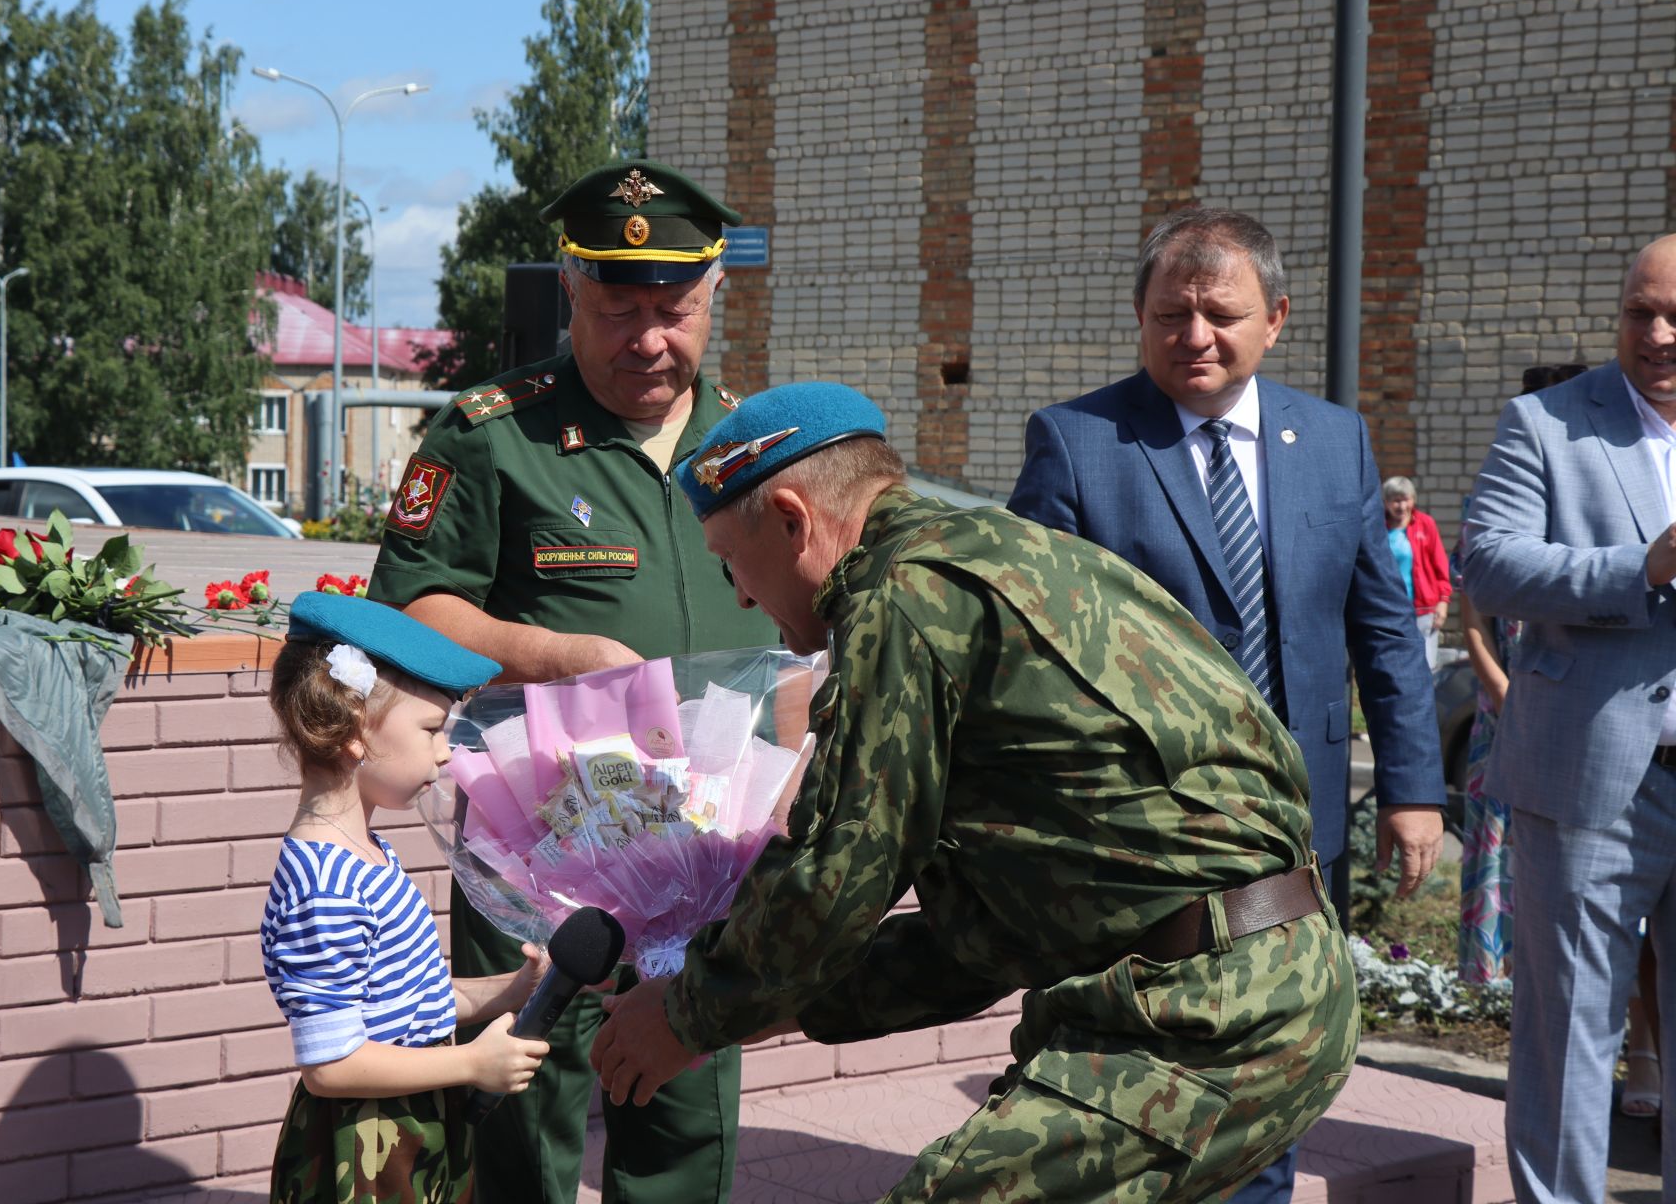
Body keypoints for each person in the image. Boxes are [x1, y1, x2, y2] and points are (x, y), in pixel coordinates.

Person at [590, 382, 1360, 1202]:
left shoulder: (904, 601)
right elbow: (976, 945)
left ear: (792, 520)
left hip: (1201, 1015)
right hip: (1262, 987)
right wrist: (764, 1006)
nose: (740, 595)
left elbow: (834, 881)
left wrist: (688, 1015)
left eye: (729, 563)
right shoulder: (1007, 555)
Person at [1006, 206, 1445, 1204]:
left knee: (1276, 1057)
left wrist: (1416, 785)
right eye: (1171, 314)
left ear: (1276, 318)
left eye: (1219, 313)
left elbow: (1382, 629)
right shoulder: (1079, 443)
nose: (1194, 335)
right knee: (1147, 1065)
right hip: (1146, 832)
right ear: (1139, 315)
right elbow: (1029, 650)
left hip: (1300, 825)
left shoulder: (1335, 440)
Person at [367, 159, 777, 1203]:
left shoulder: (757, 447)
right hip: (537, 852)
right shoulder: (495, 433)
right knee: (522, 1126)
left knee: (684, 1120)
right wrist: (562, 659)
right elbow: (413, 612)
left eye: (674, 309)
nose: (649, 337)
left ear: (715, 292)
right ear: (570, 288)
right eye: (619, 307)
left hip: (705, 853)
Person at [1462, 234, 1676, 1197]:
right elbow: (1492, 564)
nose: (1658, 333)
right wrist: (1644, 568)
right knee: (1571, 1040)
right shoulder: (1548, 422)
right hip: (1595, 781)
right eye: (1641, 312)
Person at [260, 591, 551, 1204]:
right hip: (365, 1152)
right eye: (431, 729)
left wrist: (512, 989)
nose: (446, 751)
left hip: (408, 1125)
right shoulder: (325, 885)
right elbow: (332, 1066)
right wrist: (471, 1064)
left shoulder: (367, 852)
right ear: (353, 732)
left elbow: (403, 1004)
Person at [1454, 363, 1587, 988]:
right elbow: (1472, 616)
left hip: (1580, 710)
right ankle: (1500, 983)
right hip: (1503, 706)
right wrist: (1504, 691)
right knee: (1499, 850)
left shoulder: (1594, 498)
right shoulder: (1492, 501)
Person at [1382, 476, 1451, 669]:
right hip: (1389, 609)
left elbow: (1440, 565)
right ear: (1386, 502)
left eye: (1406, 499)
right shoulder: (1378, 528)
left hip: (1423, 609)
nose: (1402, 506)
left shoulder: (1425, 524)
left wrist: (1443, 602)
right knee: (1395, 666)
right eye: (1396, 500)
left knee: (1425, 666)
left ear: (1413, 499)